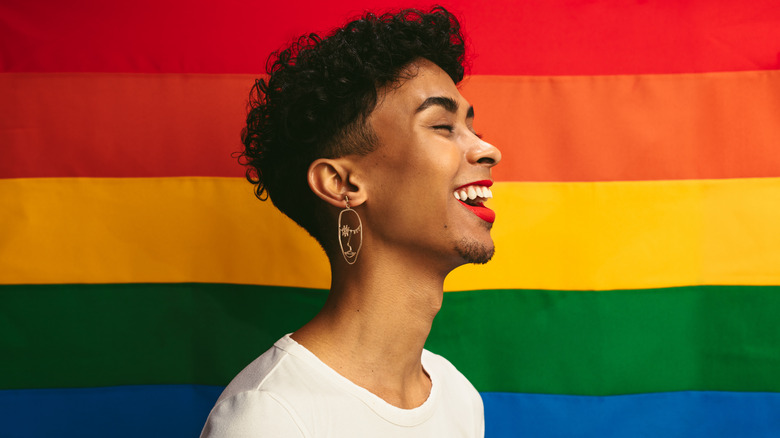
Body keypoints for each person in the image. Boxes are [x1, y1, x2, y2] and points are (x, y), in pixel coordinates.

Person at [201, 6, 501, 437]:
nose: (488, 150)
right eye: (442, 126)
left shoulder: (459, 398)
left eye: (471, 127)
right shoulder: (270, 417)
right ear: (342, 182)